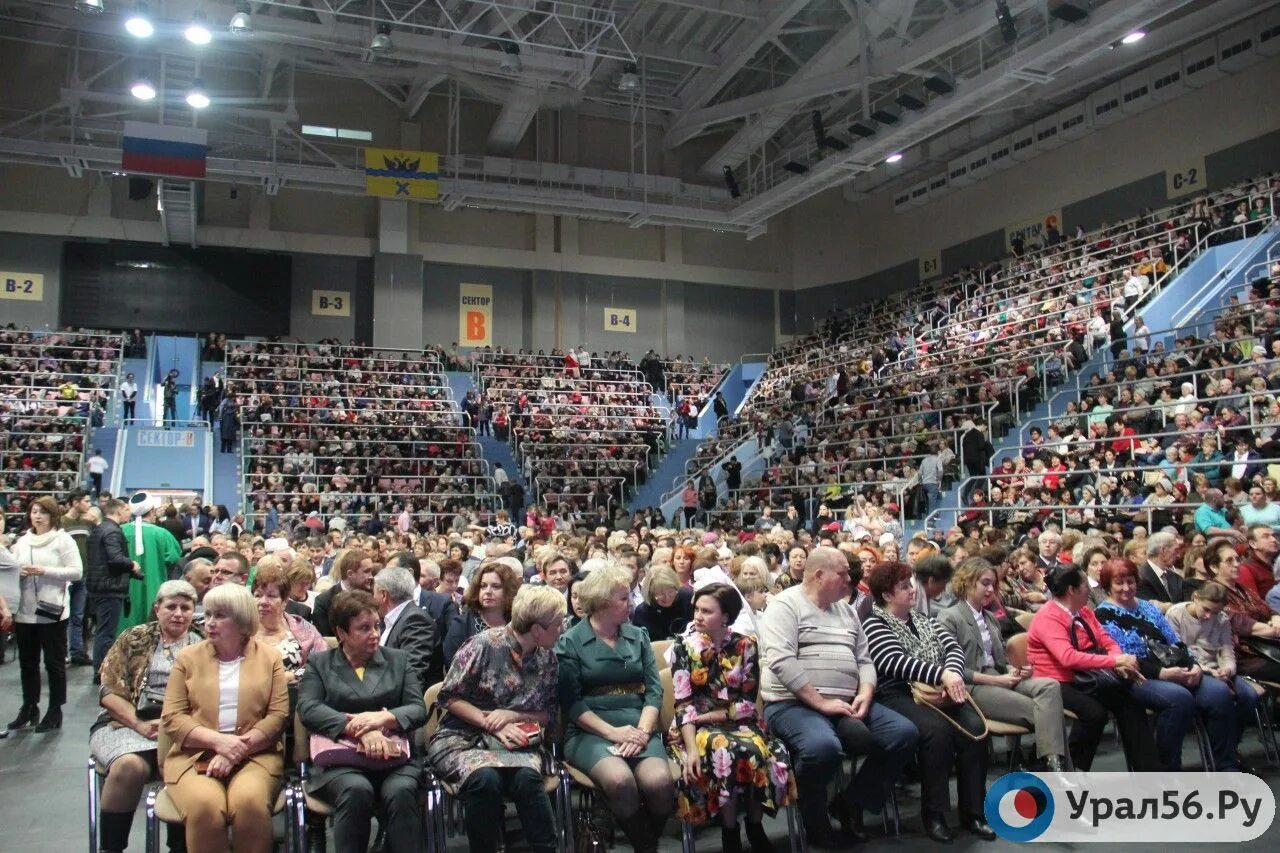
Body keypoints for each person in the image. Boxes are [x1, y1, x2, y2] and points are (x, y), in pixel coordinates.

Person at [757, 548, 918, 848]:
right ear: (819, 576)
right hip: (791, 704)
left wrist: (866, 693)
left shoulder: (846, 611)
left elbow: (865, 660)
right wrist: (820, 701)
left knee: (903, 733)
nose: (850, 580)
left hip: (844, 703)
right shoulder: (784, 606)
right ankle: (814, 818)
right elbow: (781, 662)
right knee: (822, 748)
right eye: (842, 574)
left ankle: (850, 802)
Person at [426, 586, 566, 853]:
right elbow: (448, 698)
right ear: (537, 629)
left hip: (517, 739)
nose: (562, 629)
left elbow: (547, 714)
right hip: (464, 737)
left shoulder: (547, 659)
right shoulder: (483, 645)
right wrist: (491, 723)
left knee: (527, 778)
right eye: (558, 623)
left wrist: (512, 715)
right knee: (484, 780)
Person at [862, 562, 994, 842]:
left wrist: (952, 676)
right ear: (886, 595)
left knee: (975, 732)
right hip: (896, 693)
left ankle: (974, 813)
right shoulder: (874, 623)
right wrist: (943, 674)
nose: (912, 590)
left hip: (938, 689)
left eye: (911, 584)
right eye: (904, 587)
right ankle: (934, 814)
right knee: (938, 733)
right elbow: (894, 663)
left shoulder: (924, 619)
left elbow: (953, 649)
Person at [160, 584, 289, 853]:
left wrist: (234, 751)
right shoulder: (187, 658)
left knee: (250, 802)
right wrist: (219, 743)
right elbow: (172, 718)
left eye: (219, 616)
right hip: (194, 755)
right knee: (205, 805)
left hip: (256, 755)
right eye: (207, 615)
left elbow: (277, 717)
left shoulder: (270, 658)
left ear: (242, 621)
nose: (209, 623)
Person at [667, 583, 796, 853]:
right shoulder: (684, 647)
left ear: (725, 616)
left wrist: (706, 717)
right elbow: (683, 704)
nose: (698, 616)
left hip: (740, 721)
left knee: (755, 750)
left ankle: (754, 823)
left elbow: (747, 704)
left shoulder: (745, 645)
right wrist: (691, 747)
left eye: (706, 611)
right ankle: (730, 831)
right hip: (696, 727)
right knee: (723, 749)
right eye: (696, 609)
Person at [297, 590, 429, 853]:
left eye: (377, 626)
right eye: (364, 628)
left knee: (401, 791)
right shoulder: (320, 663)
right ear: (342, 633)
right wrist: (359, 729)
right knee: (356, 790)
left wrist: (383, 717)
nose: (375, 634)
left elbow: (417, 709)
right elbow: (309, 709)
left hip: (394, 759)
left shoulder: (398, 660)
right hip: (341, 759)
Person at [555, 564, 673, 853]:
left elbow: (654, 691)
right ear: (603, 602)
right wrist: (614, 734)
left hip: (637, 723)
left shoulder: (638, 635)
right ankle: (647, 847)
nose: (630, 603)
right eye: (623, 598)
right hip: (590, 729)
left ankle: (644, 840)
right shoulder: (570, 641)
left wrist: (643, 732)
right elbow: (571, 703)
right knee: (620, 781)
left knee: (659, 783)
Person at [1094, 558, 1241, 771]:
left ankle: (1226, 766)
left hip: (1174, 667)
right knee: (1179, 699)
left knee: (1219, 693)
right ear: (1108, 586)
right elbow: (1122, 656)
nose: (1127, 588)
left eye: (1131, 582)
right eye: (1119, 583)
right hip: (1138, 675)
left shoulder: (1148, 607)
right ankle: (1167, 770)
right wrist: (1163, 673)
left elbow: (1174, 640)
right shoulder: (1103, 614)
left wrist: (1194, 665)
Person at [91, 580, 202, 853]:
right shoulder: (134, 637)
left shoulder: (204, 643)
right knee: (130, 767)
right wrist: (139, 724)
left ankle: (181, 847)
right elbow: (108, 692)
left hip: (184, 726)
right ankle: (111, 848)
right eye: (171, 607)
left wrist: (175, 726)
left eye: (185, 608)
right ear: (157, 608)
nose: (178, 613)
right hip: (125, 722)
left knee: (187, 770)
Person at [938, 557, 1068, 770]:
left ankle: (1049, 763)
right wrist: (998, 680)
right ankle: (1053, 766)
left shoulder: (989, 617)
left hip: (998, 675)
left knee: (1050, 687)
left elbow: (999, 661)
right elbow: (953, 669)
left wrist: (1014, 670)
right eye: (985, 583)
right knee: (1045, 710)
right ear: (968, 582)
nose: (990, 590)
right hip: (973, 686)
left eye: (993, 585)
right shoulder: (949, 617)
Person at [1026, 565, 1158, 771]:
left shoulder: (1084, 611)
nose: (1090, 588)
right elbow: (1068, 658)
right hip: (1056, 680)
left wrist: (1118, 658)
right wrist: (1115, 662)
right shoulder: (1047, 617)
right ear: (1072, 590)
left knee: (1131, 702)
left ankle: (1149, 775)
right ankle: (1065, 769)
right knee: (1094, 713)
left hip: (1088, 675)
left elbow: (1106, 641)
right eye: (1086, 584)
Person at [7, 496, 84, 733]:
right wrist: (18, 573)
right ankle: (29, 706)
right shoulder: (22, 542)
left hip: (51, 612)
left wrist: (44, 571)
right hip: (25, 610)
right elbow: (11, 569)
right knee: (27, 664)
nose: (37, 516)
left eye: (42, 512)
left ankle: (55, 709)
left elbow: (77, 572)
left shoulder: (63, 540)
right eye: (33, 512)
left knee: (54, 663)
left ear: (53, 516)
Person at [87, 498, 143, 671]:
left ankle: (100, 670)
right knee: (106, 633)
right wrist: (132, 564)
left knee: (103, 631)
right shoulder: (112, 531)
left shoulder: (99, 529)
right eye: (126, 509)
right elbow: (115, 558)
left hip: (100, 586)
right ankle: (102, 672)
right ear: (118, 510)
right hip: (110, 588)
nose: (129, 512)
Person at [251, 563, 326, 683]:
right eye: (258, 595)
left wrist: (291, 676)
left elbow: (322, 663)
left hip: (295, 693)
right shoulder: (241, 630)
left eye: (271, 596)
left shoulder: (303, 628)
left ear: (285, 601)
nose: (263, 601)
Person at [119, 493, 183, 633]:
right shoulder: (162, 534)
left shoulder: (120, 531)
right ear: (153, 511)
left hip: (126, 589)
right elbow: (174, 557)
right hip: (155, 587)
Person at [444, 560, 519, 667]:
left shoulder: (517, 623)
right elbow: (452, 665)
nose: (488, 591)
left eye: (496, 586)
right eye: (483, 586)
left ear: (509, 590)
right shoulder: (461, 624)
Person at [374, 566, 438, 685]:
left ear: (383, 595)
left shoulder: (415, 621)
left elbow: (413, 674)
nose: (373, 598)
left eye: (374, 593)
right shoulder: (390, 619)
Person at [312, 549, 374, 636]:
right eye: (366, 571)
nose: (371, 576)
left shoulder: (374, 595)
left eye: (371, 571)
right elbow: (324, 638)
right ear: (350, 574)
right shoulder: (324, 601)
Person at [631, 564, 693, 641]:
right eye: (660, 594)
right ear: (650, 593)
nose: (667, 598)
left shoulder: (687, 597)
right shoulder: (643, 612)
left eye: (670, 591)